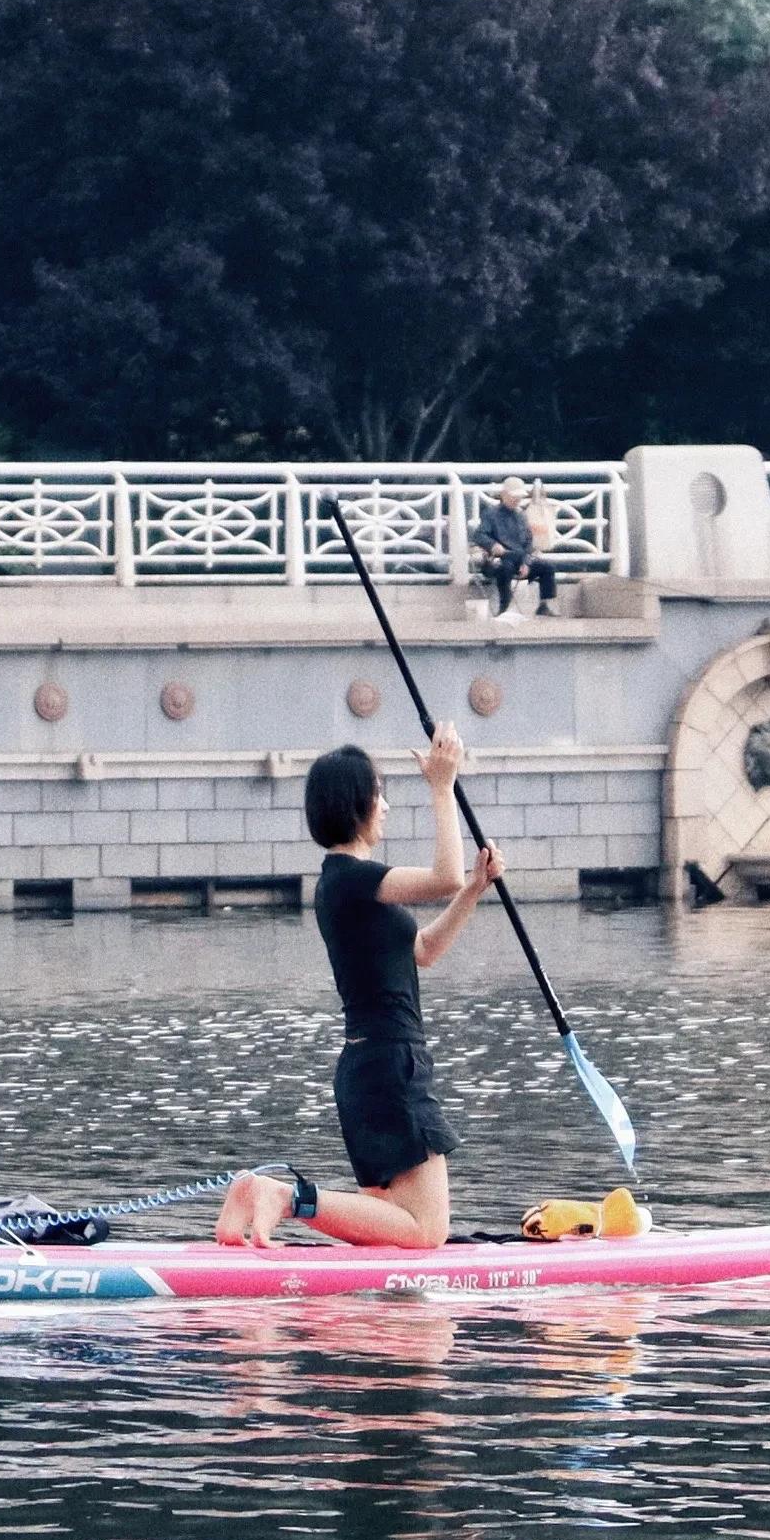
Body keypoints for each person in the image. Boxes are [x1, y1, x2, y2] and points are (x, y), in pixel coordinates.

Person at [215, 725, 505, 1249]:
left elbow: (424, 950)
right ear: (355, 805)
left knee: (390, 1224)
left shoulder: (346, 888)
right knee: (427, 1230)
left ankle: (262, 1196)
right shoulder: (351, 878)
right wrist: (442, 787)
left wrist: (474, 890)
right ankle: (281, 1196)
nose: (386, 806)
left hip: (369, 1069)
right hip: (391, 1068)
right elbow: (442, 876)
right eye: (379, 794)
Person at [472, 477, 556, 615]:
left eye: (519, 497)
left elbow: (528, 542)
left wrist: (525, 562)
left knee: (547, 567)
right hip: (498, 558)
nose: (516, 500)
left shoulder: (521, 515)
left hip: (519, 557)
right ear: (504, 495)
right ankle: (504, 607)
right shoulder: (491, 514)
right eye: (514, 496)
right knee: (505, 568)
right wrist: (492, 545)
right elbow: (479, 535)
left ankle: (543, 605)